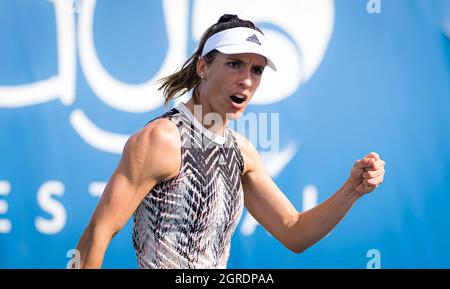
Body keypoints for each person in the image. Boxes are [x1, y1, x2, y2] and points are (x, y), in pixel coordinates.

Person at [74, 14, 386, 269]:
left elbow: (294, 232)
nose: (247, 80)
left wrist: (351, 191)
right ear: (203, 67)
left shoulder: (242, 153)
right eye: (234, 64)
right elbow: (96, 236)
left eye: (257, 70)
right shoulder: (161, 139)